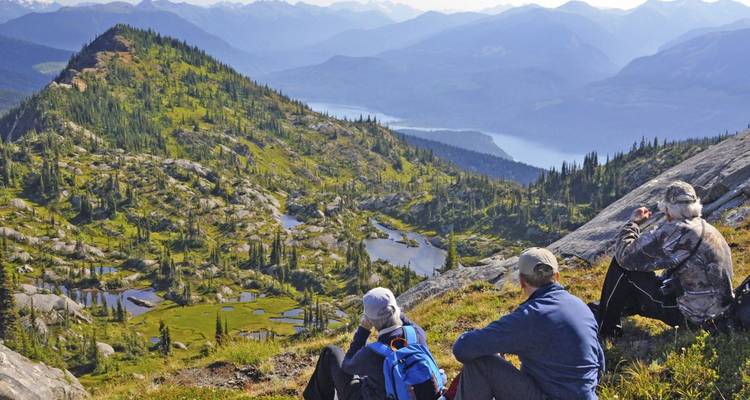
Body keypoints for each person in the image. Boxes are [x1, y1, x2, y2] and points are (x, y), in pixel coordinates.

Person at [452, 247, 605, 400]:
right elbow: (599, 363)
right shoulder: (582, 308)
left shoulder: (529, 315)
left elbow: (463, 348)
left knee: (482, 364)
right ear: (557, 276)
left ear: (522, 281)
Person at [596, 180, 734, 337]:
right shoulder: (707, 228)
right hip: (718, 311)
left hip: (693, 317)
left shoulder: (677, 231)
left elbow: (625, 256)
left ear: (670, 209)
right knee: (641, 286)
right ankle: (604, 310)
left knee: (622, 267)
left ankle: (607, 330)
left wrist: (633, 223)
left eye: (665, 209)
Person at [303, 287, 429, 400]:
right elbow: (406, 321)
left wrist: (363, 331)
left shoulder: (371, 353)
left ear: (369, 320)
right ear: (395, 309)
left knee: (330, 352)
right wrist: (391, 311)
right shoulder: (417, 334)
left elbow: (347, 365)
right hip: (411, 392)